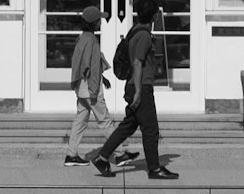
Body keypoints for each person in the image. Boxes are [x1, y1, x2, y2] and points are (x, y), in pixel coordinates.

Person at [88, 15, 179, 180]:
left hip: (135, 86)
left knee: (128, 126)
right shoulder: (143, 35)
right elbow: (137, 62)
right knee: (150, 130)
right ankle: (154, 168)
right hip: (141, 87)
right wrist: (138, 92)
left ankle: (102, 158)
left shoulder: (135, 31)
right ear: (153, 15)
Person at [58, 20, 112, 159]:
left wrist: (102, 78)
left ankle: (71, 155)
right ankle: (120, 153)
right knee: (105, 120)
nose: (100, 22)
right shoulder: (91, 40)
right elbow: (89, 65)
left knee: (80, 120)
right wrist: (94, 87)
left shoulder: (82, 38)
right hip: (90, 88)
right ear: (93, 22)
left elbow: (86, 62)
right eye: (98, 20)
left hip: (81, 87)